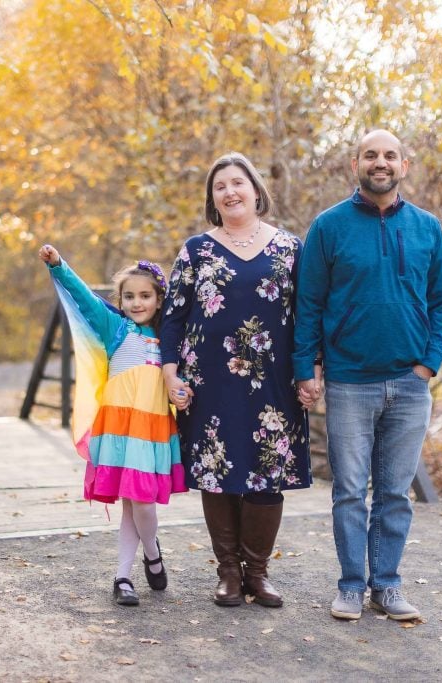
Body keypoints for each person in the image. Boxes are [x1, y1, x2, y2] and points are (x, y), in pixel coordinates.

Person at [293, 129, 442, 622]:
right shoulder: (329, 227)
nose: (379, 163)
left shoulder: (427, 228)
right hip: (349, 382)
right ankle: (350, 586)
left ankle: (387, 586)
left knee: (393, 494)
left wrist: (429, 363)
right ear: (355, 164)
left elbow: (441, 302)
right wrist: (307, 367)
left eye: (389, 155)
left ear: (403, 165)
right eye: (370, 155)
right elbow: (309, 303)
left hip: (409, 383)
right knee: (348, 491)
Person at [160, 152, 312, 608]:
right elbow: (172, 318)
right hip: (210, 382)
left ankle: (258, 573)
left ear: (255, 189)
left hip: (273, 382)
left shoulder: (289, 247)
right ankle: (228, 571)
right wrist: (170, 373)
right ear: (213, 198)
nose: (230, 191)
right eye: (220, 186)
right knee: (218, 469)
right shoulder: (196, 250)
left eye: (237, 183)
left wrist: (310, 370)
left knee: (268, 472)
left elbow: (306, 316)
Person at [39, 244, 187, 606]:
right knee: (130, 503)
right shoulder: (115, 327)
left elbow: (181, 381)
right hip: (119, 429)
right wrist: (59, 266)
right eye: (129, 296)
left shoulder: (170, 340)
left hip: (151, 432)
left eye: (145, 296)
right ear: (120, 301)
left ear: (158, 299)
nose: (137, 303)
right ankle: (123, 577)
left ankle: (152, 552)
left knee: (143, 505)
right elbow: (84, 297)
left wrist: (183, 396)